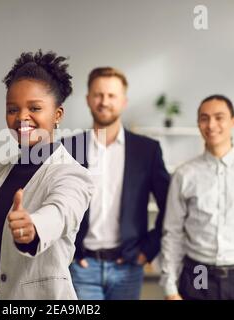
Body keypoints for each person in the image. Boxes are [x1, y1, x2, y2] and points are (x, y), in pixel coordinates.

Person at [0, 50, 94, 300]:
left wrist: (34, 228)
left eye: (35, 108)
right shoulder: (0, 172)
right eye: (12, 109)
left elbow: (62, 212)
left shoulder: (72, 174)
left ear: (57, 115)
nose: (21, 118)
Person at [65, 67, 170, 300]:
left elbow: (170, 206)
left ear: (123, 101)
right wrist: (67, 253)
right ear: (88, 100)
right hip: (82, 265)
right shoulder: (69, 148)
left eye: (112, 96)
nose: (104, 102)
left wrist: (147, 251)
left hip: (128, 266)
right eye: (98, 95)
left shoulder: (147, 150)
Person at [160, 94, 234, 300]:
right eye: (204, 118)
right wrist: (170, 287)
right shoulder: (184, 174)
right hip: (199, 273)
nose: (211, 124)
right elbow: (173, 232)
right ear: (198, 124)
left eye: (219, 117)